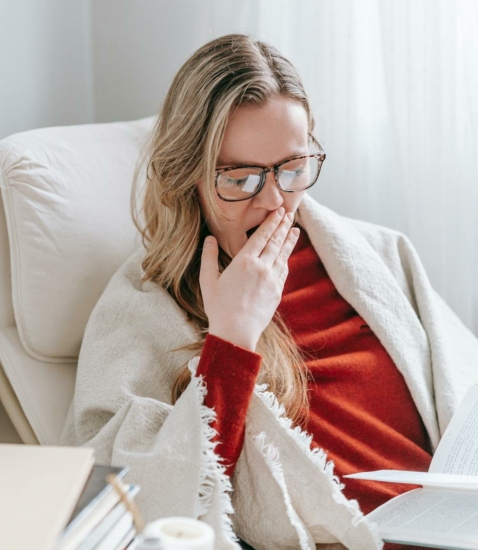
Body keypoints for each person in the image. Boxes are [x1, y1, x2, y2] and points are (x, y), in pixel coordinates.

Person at [59, 34, 478, 550]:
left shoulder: (381, 255)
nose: (276, 203)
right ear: (185, 175)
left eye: (293, 169)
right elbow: (133, 500)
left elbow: (465, 390)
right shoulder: (144, 306)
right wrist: (232, 337)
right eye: (240, 178)